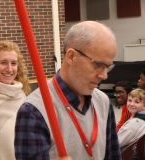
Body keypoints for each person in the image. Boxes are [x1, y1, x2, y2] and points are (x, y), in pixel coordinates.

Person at [15, 21, 121, 160]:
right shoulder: (34, 110)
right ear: (71, 56)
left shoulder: (102, 102)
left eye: (108, 67)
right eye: (98, 65)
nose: (104, 75)